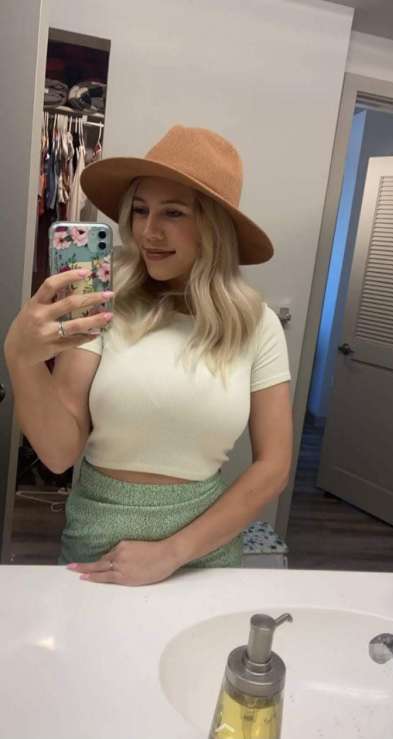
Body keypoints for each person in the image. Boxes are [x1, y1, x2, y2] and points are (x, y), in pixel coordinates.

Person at [4, 124, 293, 587]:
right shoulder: (102, 304)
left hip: (202, 557)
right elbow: (58, 455)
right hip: (98, 552)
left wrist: (172, 552)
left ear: (215, 226)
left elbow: (274, 466)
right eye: (140, 210)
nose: (148, 231)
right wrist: (22, 358)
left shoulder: (257, 324)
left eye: (173, 213)